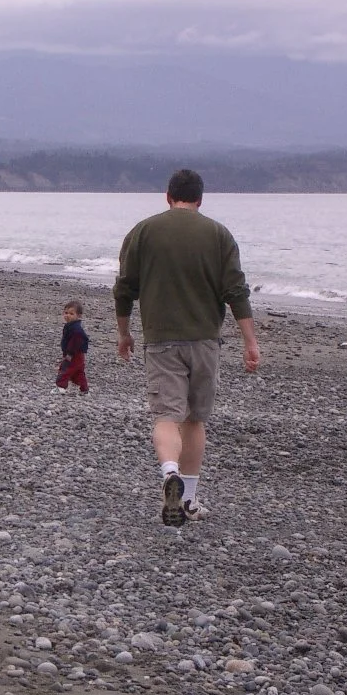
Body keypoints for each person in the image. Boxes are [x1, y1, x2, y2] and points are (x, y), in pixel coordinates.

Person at [113, 169, 259, 526]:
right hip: (205, 341)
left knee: (166, 416)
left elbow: (124, 288)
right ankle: (189, 500)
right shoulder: (218, 234)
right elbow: (236, 292)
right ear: (200, 199)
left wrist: (124, 333)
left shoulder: (144, 231)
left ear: (168, 196)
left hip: (161, 339)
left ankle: (168, 473)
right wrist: (250, 341)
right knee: (195, 420)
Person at [55, 299, 90, 394]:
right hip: (77, 354)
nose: (67, 316)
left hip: (74, 354)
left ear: (78, 316)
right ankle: (84, 389)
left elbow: (75, 342)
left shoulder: (76, 329)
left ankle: (60, 386)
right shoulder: (70, 326)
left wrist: (69, 354)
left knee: (65, 369)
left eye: (71, 314)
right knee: (78, 371)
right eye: (66, 313)